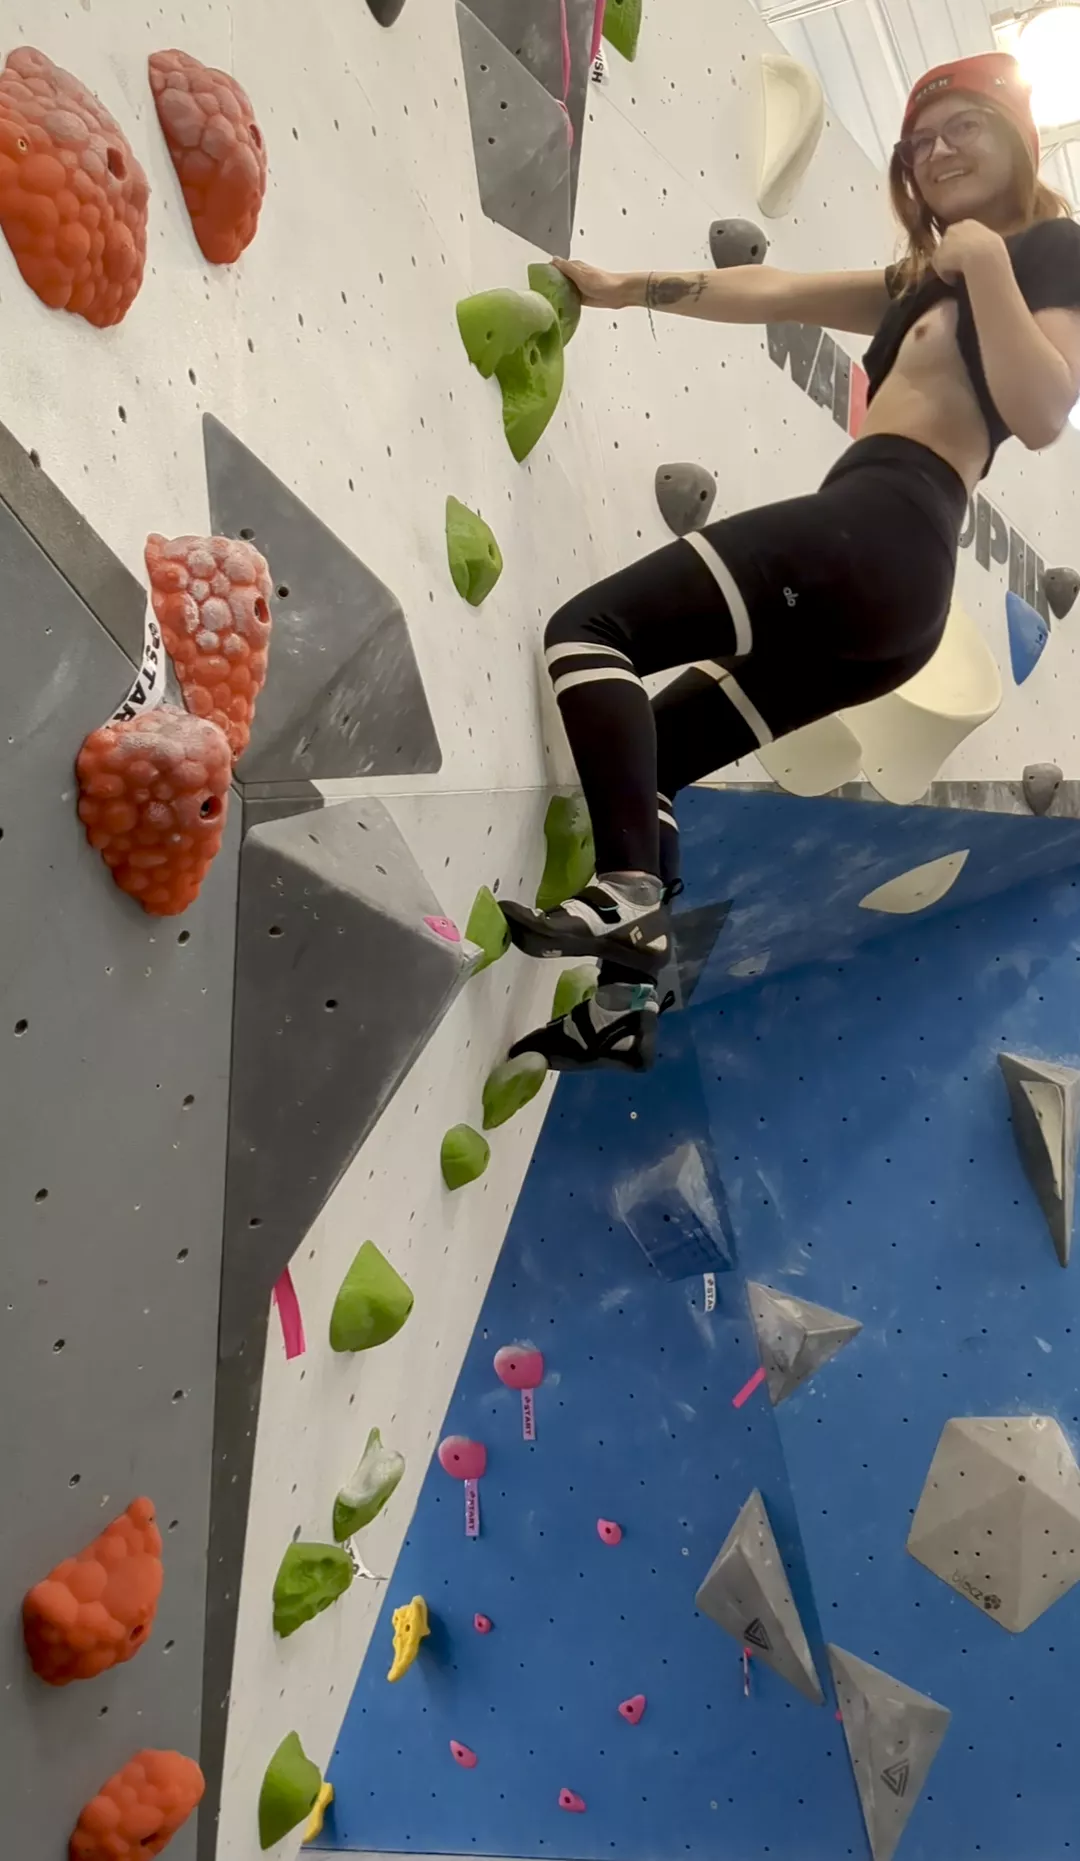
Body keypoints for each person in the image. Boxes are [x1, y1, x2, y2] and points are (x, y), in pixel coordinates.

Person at [501, 50, 1080, 1075]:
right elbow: (775, 291)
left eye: (965, 127)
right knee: (661, 755)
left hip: (885, 532)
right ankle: (628, 998)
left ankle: (629, 899)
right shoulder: (917, 281)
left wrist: (990, 261)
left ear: (1021, 142)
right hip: (886, 596)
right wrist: (626, 283)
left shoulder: (1051, 253)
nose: (938, 149)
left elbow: (1041, 412)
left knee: (589, 634)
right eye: (922, 140)